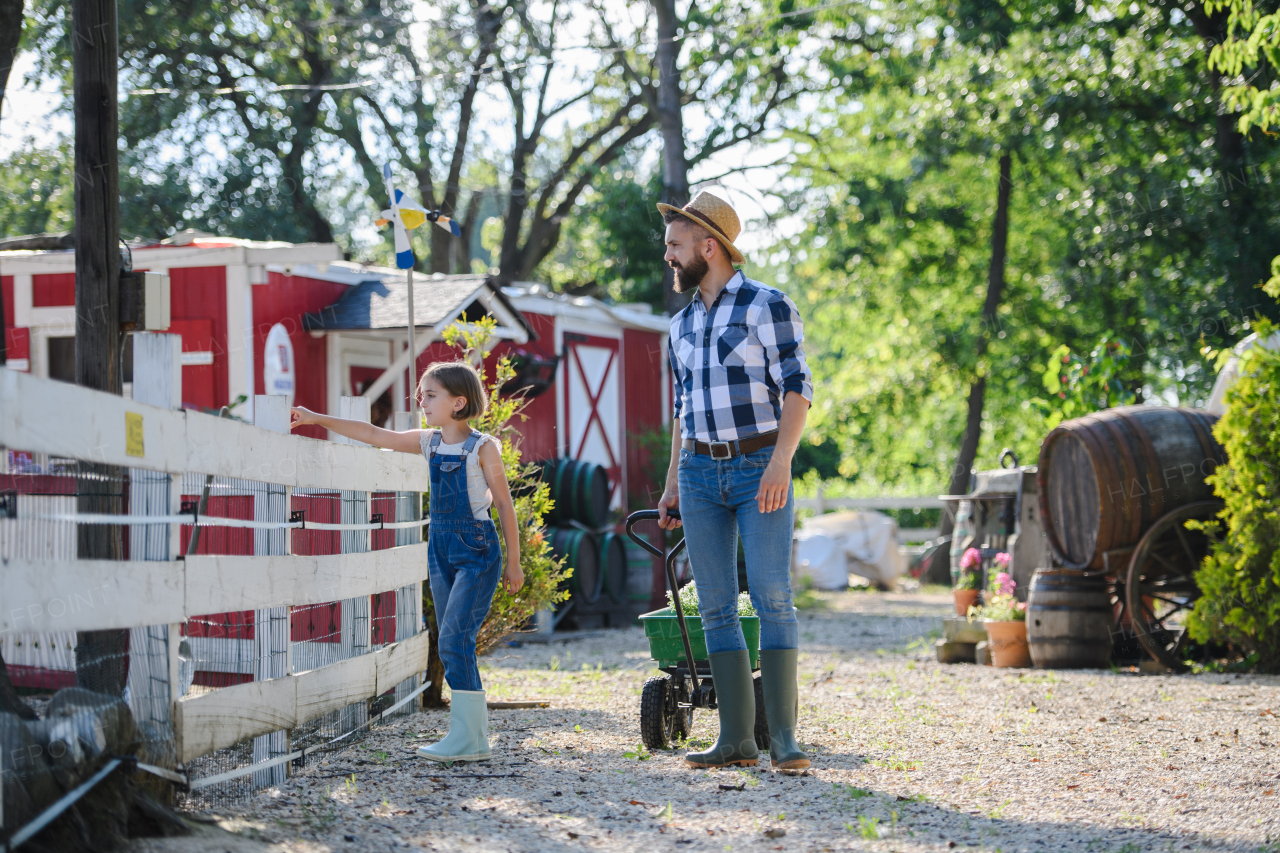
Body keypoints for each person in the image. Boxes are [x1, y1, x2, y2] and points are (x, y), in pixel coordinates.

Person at [290, 361, 523, 763]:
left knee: (453, 641)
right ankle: (473, 739)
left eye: (430, 394)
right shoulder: (429, 441)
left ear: (458, 402)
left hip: (477, 550)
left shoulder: (483, 447)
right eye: (422, 393)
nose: (422, 400)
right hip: (440, 549)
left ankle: (467, 737)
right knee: (456, 642)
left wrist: (514, 563)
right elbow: (373, 434)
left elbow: (503, 504)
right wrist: (314, 418)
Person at [655, 191, 813, 772]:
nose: (668, 256)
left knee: (773, 596)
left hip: (758, 469)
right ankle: (736, 741)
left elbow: (798, 389)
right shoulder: (680, 325)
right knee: (716, 606)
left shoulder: (767, 306)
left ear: (708, 246)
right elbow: (682, 409)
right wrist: (672, 483)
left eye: (675, 246)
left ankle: (785, 740)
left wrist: (781, 461)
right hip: (697, 474)